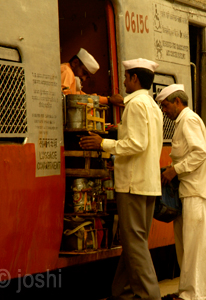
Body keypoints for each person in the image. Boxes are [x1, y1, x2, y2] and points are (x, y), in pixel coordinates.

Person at [79, 58, 163, 300]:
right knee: (133, 241)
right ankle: (122, 292)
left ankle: (150, 295)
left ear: (135, 78)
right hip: (147, 184)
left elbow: (137, 143)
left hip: (133, 184)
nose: (124, 82)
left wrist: (103, 142)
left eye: (126, 77)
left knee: (134, 243)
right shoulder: (151, 105)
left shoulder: (136, 106)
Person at [156, 85, 206, 300]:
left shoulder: (188, 120)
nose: (164, 110)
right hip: (187, 193)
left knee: (194, 248)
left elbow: (200, 153)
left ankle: (193, 296)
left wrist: (174, 170)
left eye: (166, 105)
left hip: (196, 194)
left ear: (178, 102)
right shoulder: (183, 122)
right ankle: (187, 292)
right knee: (186, 247)